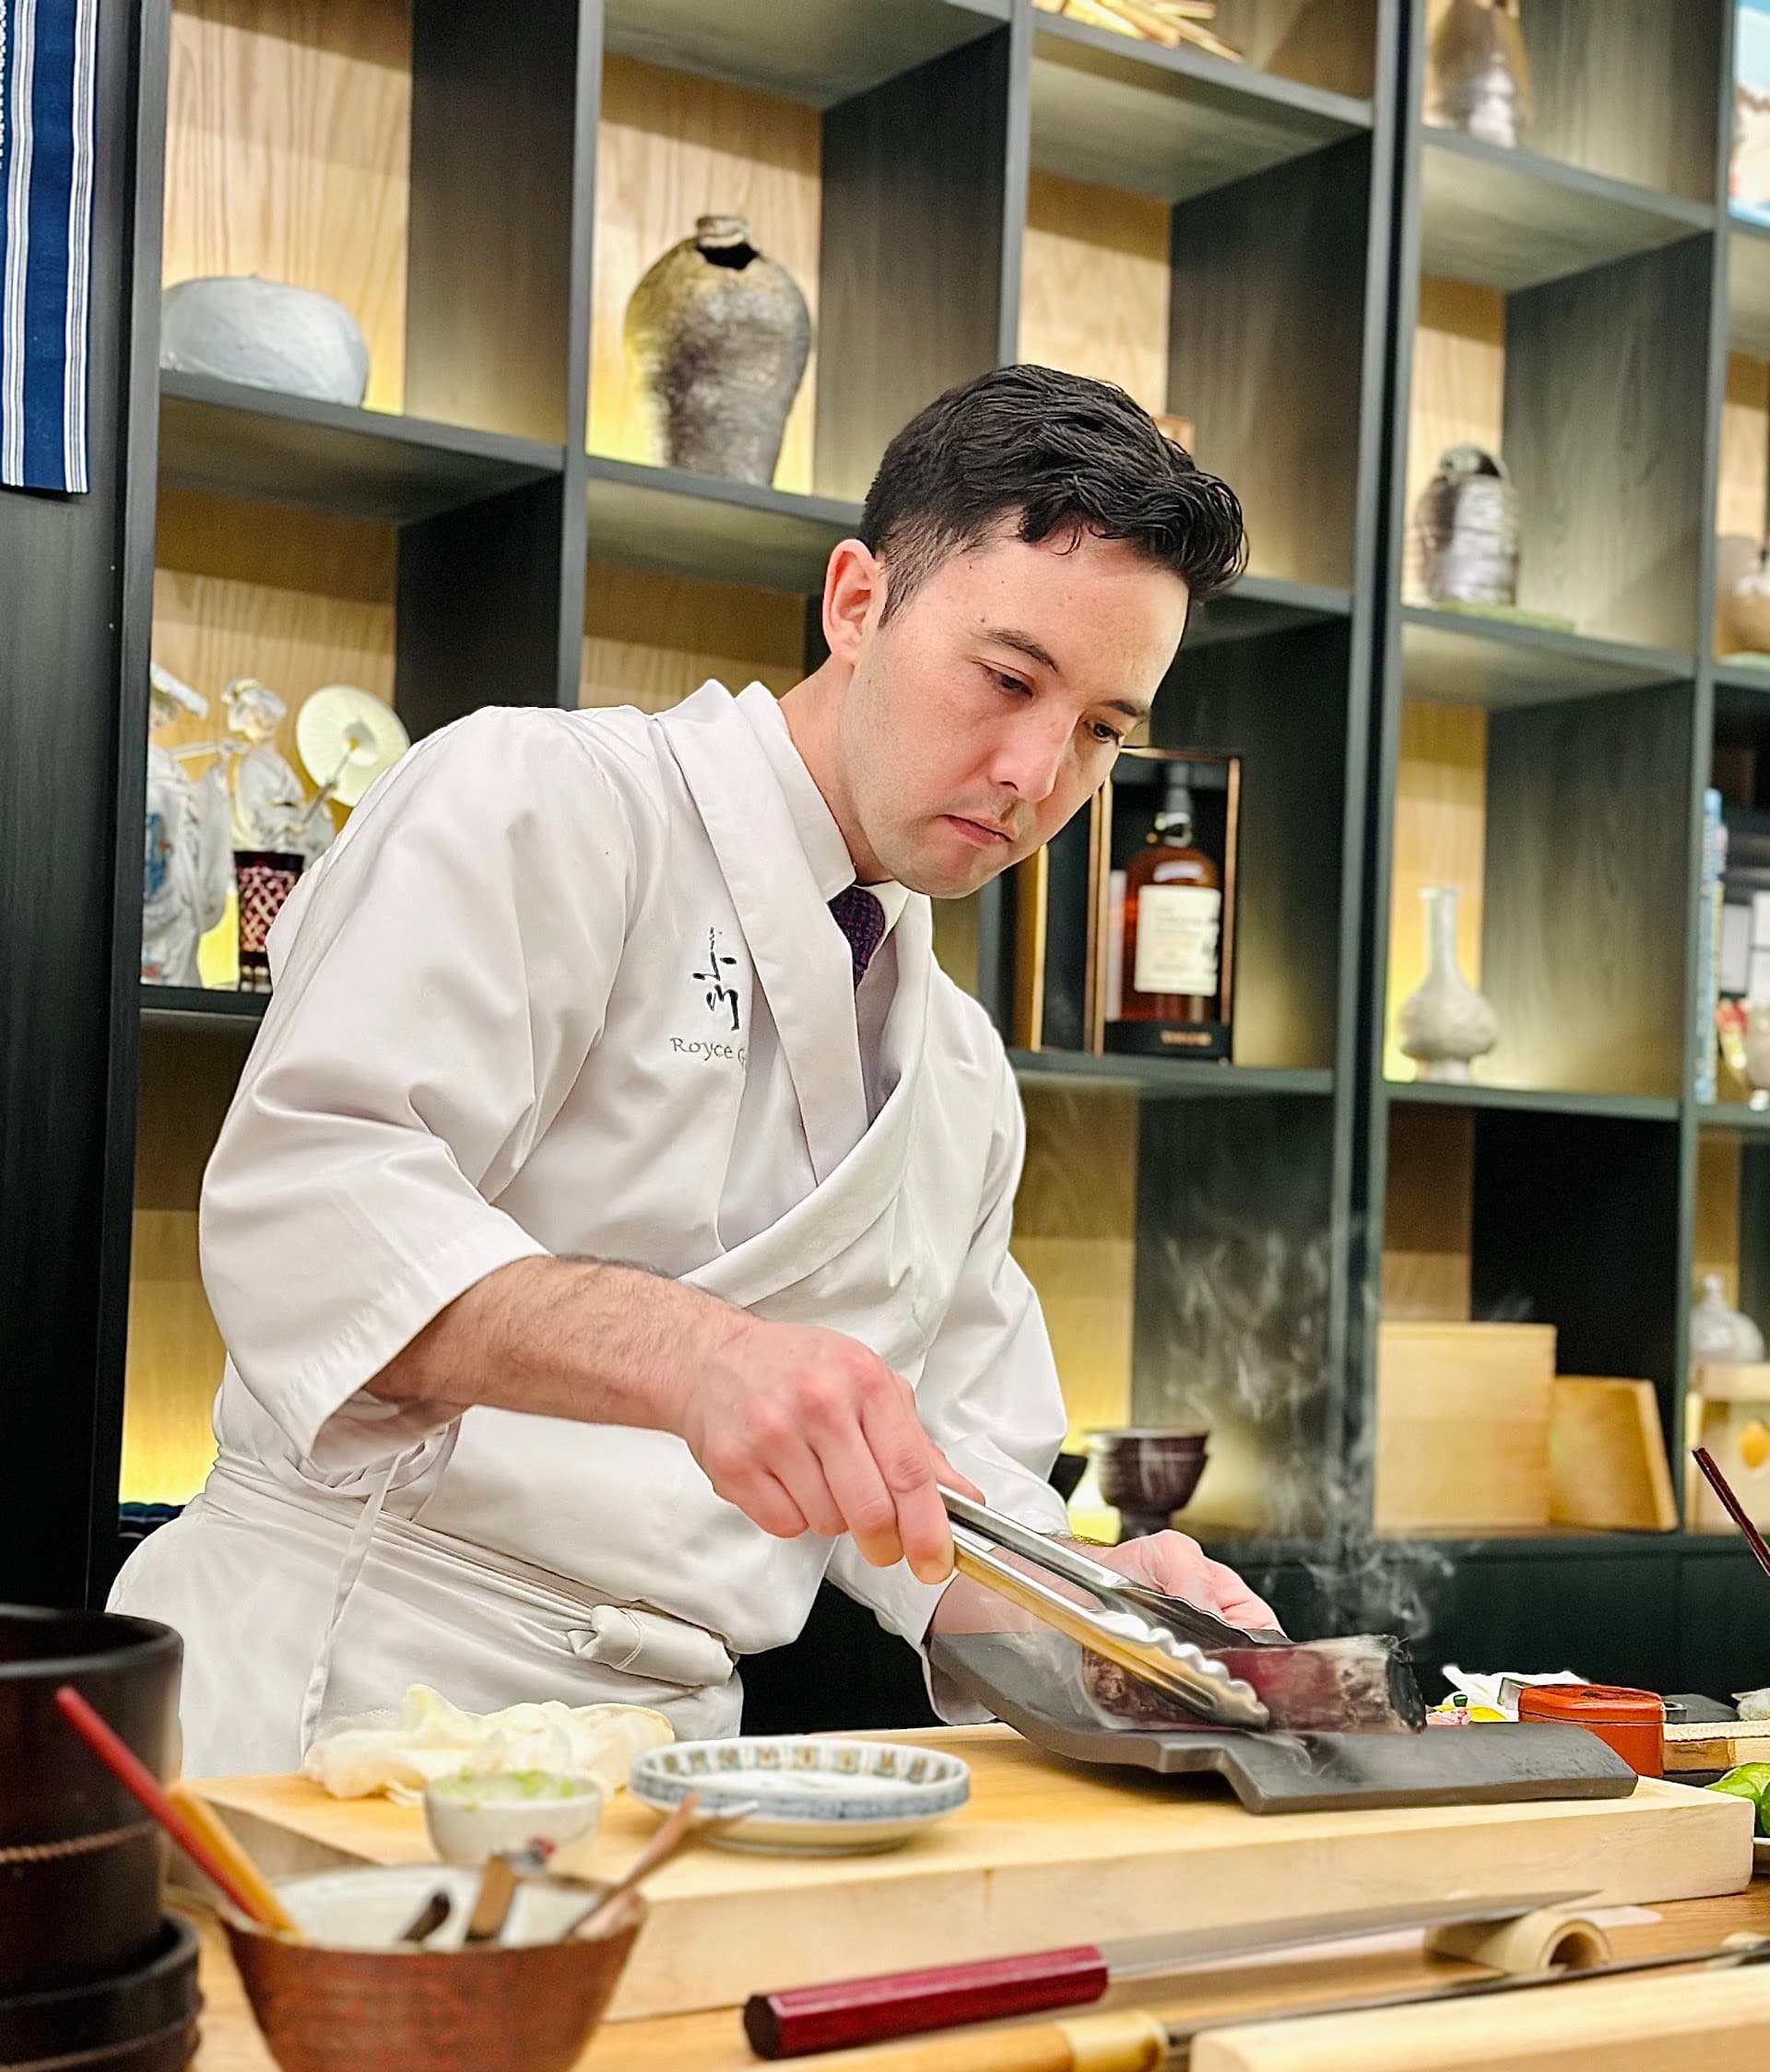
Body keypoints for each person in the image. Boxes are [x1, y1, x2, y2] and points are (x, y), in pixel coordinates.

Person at [112, 364, 1282, 1776]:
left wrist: (1101, 1623)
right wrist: (695, 1356)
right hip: (344, 1692)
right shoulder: (543, 803)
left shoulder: (959, 1069)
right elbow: (311, 1217)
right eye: (1008, 678)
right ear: (857, 601)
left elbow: (941, 1517)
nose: (1036, 772)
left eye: (1102, 729)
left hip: (669, 1759)